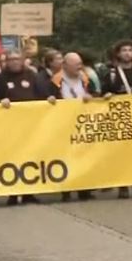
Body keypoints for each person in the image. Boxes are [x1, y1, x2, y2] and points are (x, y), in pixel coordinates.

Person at [0, 50, 50, 205]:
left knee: (31, 158)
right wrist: (0, 101)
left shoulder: (32, 76)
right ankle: (13, 193)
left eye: (17, 59)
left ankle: (29, 193)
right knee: (13, 159)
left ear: (23, 60)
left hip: (31, 126)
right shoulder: (0, 78)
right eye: (11, 59)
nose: (14, 62)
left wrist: (50, 99)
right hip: (10, 127)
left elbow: (43, 94)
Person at [102, 39, 132, 198]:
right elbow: (104, 92)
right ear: (118, 53)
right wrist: (107, 95)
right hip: (120, 118)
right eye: (124, 50)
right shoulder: (111, 73)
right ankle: (123, 185)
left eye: (130, 50)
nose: (127, 53)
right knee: (122, 152)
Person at [50, 51, 99, 201]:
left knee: (85, 156)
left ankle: (85, 189)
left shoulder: (86, 78)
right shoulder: (54, 81)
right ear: (64, 65)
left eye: (80, 63)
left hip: (83, 123)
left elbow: (97, 94)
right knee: (66, 156)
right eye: (75, 64)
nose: (80, 66)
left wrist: (92, 97)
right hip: (63, 124)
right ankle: (67, 190)